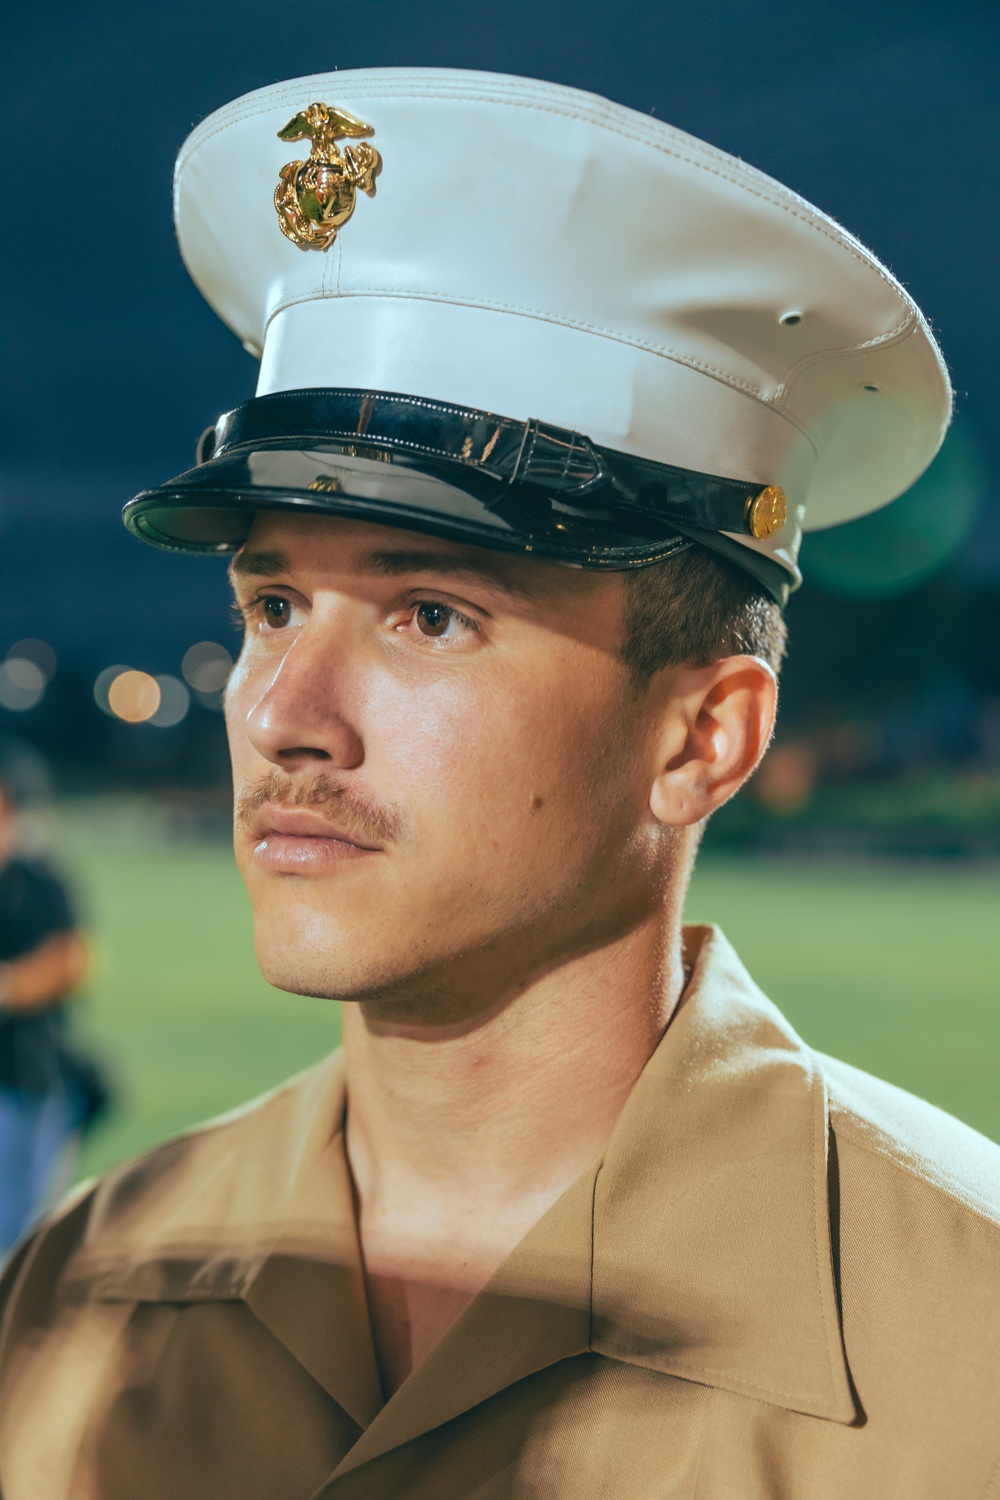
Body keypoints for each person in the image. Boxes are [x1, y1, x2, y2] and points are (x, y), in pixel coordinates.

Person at [0, 68, 997, 1499]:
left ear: (703, 737)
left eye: (429, 617)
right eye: (271, 606)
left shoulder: (969, 1346)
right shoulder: (80, 1291)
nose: (285, 715)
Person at [0, 738, 97, 1254]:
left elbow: (69, 961)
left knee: (16, 1225)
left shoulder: (33, 880)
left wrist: (9, 986)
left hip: (21, 1076)